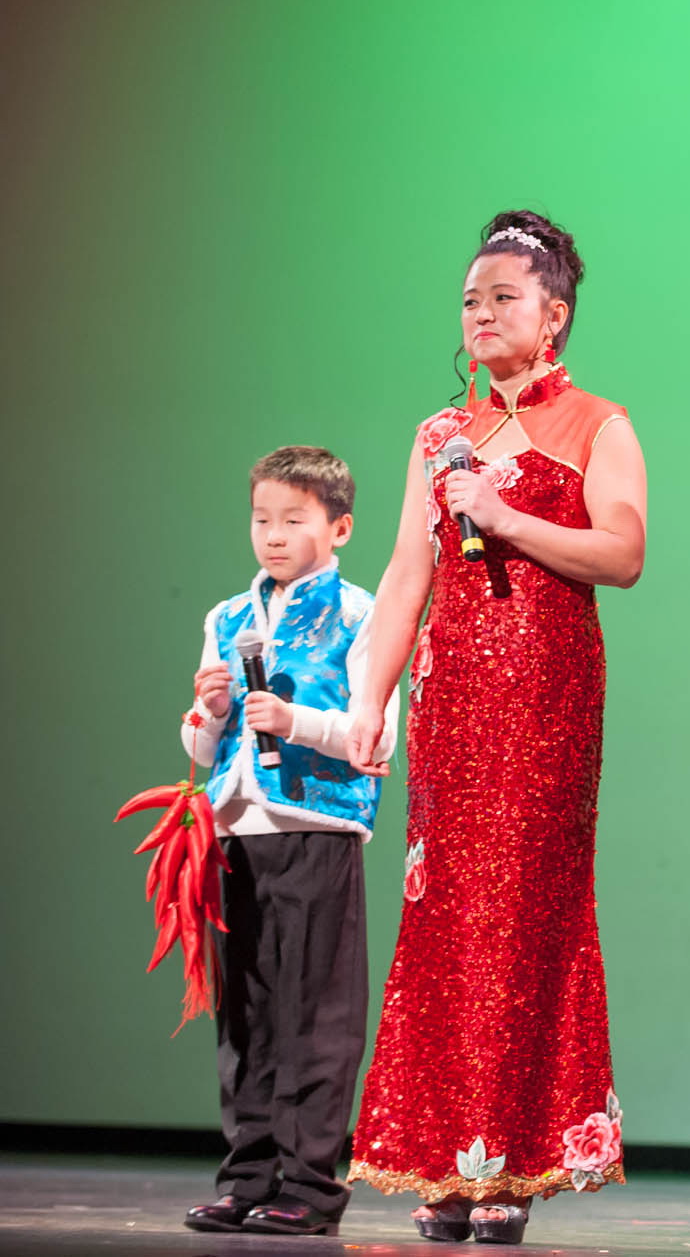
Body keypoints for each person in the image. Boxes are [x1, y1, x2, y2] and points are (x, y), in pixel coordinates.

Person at [343, 211, 648, 1246]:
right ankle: (444, 1159)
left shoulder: (598, 423)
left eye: (503, 297)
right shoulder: (440, 434)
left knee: (524, 917)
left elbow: (622, 552)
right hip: (453, 705)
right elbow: (405, 575)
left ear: (553, 315)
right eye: (470, 300)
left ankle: (508, 1162)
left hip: (547, 703)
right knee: (442, 918)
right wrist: (370, 697)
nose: (480, 314)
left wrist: (507, 515)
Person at [178, 447, 397, 1237]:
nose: (273, 535)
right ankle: (249, 1177)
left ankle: (308, 1185)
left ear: (339, 527)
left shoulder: (363, 614)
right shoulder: (226, 618)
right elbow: (198, 747)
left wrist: (294, 720)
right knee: (247, 1015)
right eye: (262, 519)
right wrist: (208, 713)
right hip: (237, 830)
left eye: (293, 519)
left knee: (315, 1015)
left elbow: (378, 736)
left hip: (316, 825)